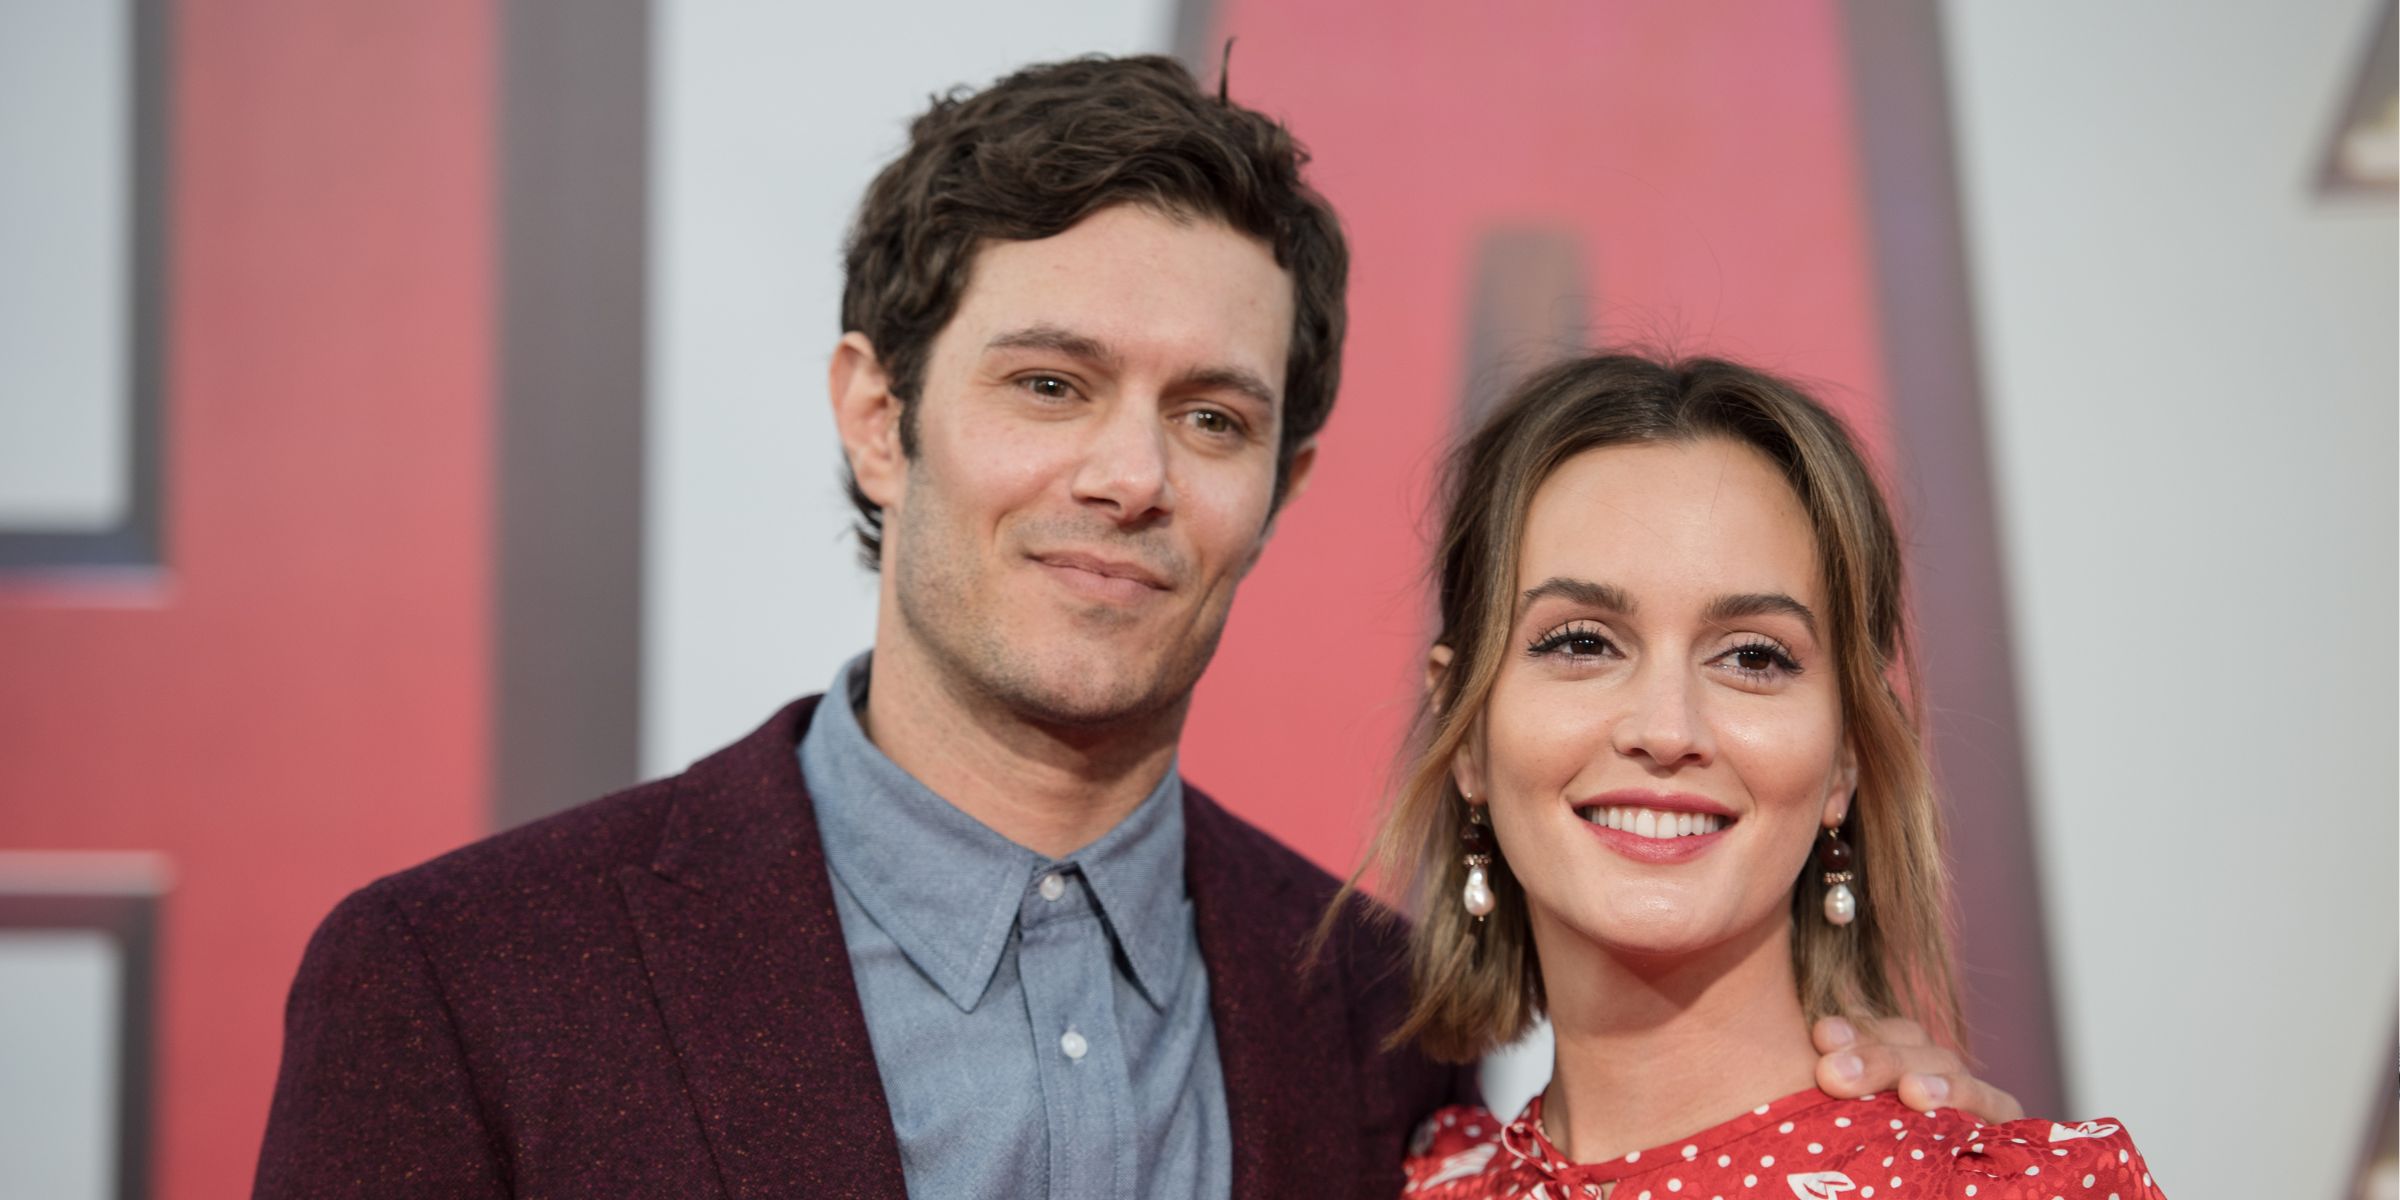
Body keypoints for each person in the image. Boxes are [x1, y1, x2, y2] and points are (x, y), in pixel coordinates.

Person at [253, 59, 2011, 1200]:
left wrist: (1888, 1132)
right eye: (1050, 383)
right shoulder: (468, 984)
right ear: (879, 415)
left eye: (1214, 419)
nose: (1128, 475)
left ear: (1283, 482)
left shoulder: (1384, 1026)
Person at [1378, 353, 2163, 1198]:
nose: (1667, 729)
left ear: (1846, 758)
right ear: (1463, 733)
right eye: (1581, 643)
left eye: (1753, 656)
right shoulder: (1401, 1174)